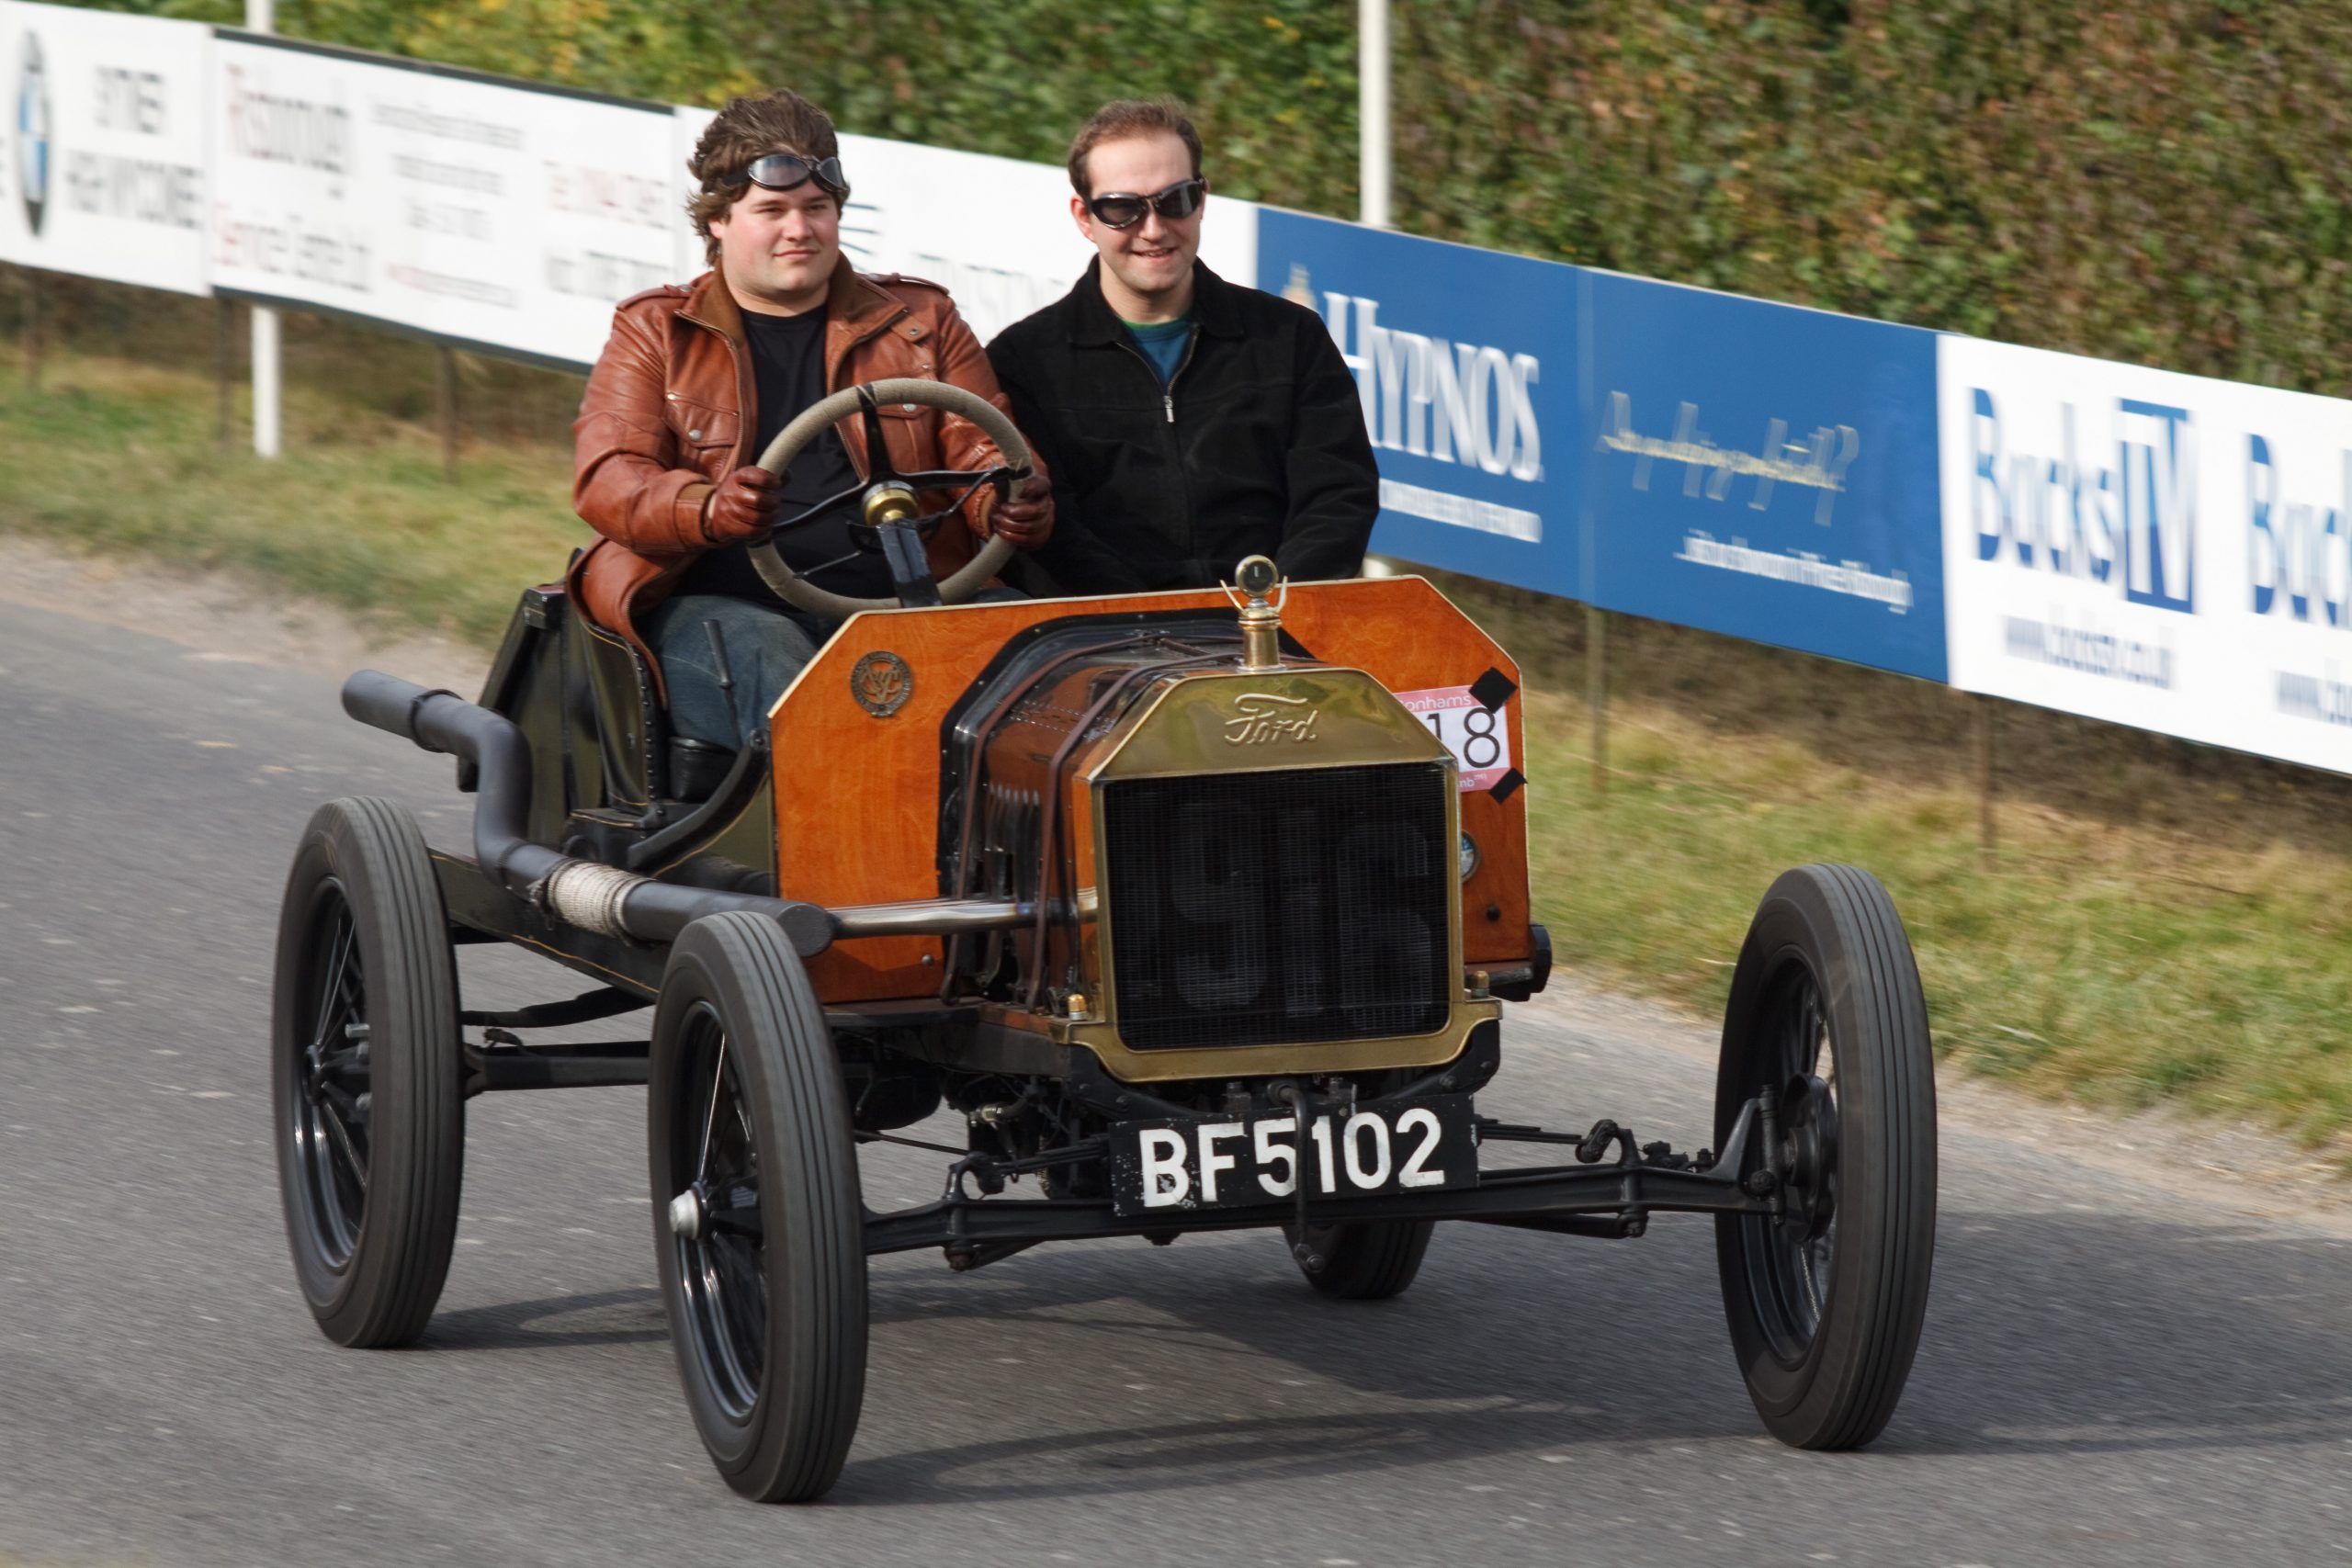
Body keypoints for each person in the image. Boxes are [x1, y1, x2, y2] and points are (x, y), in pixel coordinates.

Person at [570, 88, 1052, 749]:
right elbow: (610, 478)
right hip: (721, 608)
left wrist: (1004, 502)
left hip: (912, 605)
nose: (799, 230)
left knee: (1050, 659)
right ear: (717, 220)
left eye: (816, 209)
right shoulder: (654, 330)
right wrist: (708, 508)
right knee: (789, 673)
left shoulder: (923, 320)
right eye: (772, 210)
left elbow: (982, 444)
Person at [987, 96, 1376, 596]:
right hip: (1103, 647)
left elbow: (1338, 499)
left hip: (1278, 638)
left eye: (1174, 201)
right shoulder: (1022, 363)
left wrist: (1272, 613)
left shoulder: (1292, 338)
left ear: (1202, 200)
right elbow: (1052, 536)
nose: (1153, 230)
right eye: (1122, 209)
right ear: (1084, 217)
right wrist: (1154, 628)